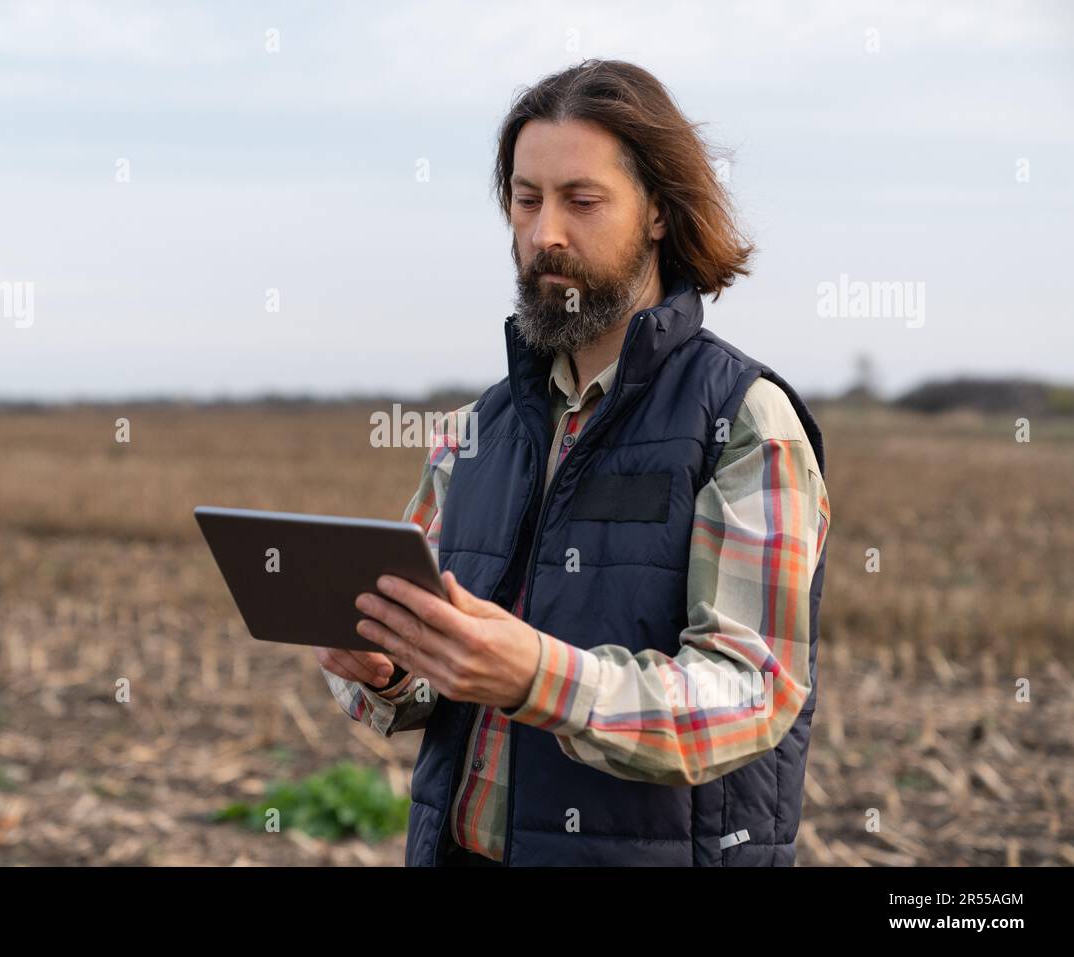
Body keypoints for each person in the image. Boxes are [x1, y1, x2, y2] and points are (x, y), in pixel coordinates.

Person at [318, 58, 830, 867]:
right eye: (526, 201)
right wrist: (385, 669)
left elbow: (751, 693)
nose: (544, 232)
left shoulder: (743, 419)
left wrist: (539, 677)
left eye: (581, 201)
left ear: (659, 212)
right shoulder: (475, 429)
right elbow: (430, 679)